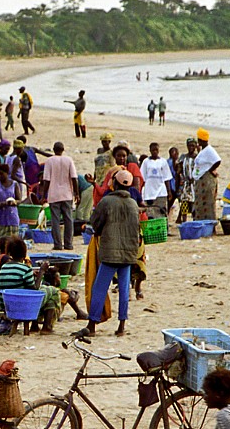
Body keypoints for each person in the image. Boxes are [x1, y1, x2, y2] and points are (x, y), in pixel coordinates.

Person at [85, 170, 140, 337]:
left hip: (110, 252)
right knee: (124, 289)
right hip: (129, 252)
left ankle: (92, 325)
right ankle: (121, 326)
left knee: (100, 288)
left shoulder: (106, 201)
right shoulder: (133, 204)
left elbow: (95, 223)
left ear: (114, 184)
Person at [0, 237, 63, 334]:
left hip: (8, 306)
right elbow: (34, 289)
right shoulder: (25, 269)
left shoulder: (4, 267)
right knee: (53, 291)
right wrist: (42, 271)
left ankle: (35, 325)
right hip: (24, 306)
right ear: (24, 254)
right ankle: (47, 326)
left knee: (44, 290)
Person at [40, 142, 79, 250]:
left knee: (55, 220)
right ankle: (68, 244)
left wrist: (44, 195)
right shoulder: (69, 160)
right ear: (63, 149)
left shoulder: (49, 161)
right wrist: (76, 193)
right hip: (67, 194)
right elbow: (74, 178)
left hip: (54, 194)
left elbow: (46, 180)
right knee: (68, 219)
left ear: (53, 149)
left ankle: (57, 244)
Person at [192, 129, 221, 221]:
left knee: (208, 202)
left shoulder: (209, 150)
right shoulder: (203, 150)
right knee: (200, 202)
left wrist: (210, 170)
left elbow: (217, 161)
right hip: (201, 179)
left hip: (207, 180)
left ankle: (209, 222)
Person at [140, 142, 174, 218]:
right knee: (150, 213)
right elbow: (143, 177)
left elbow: (167, 177)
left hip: (161, 191)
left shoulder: (163, 161)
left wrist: (169, 191)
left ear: (158, 151)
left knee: (161, 212)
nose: (155, 151)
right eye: (153, 150)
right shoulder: (146, 162)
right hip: (149, 192)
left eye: (156, 150)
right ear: (150, 150)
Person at [0, 163, 21, 239]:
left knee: (13, 239)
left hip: (12, 216)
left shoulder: (14, 184)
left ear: (7, 173)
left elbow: (19, 199)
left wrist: (14, 202)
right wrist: (0, 204)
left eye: (1, 174)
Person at [176, 138, 198, 224]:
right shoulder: (183, 157)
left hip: (195, 184)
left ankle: (195, 221)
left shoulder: (197, 157)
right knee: (184, 203)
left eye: (193, 145)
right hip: (186, 183)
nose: (191, 147)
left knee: (194, 203)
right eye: (189, 145)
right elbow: (179, 171)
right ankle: (184, 222)